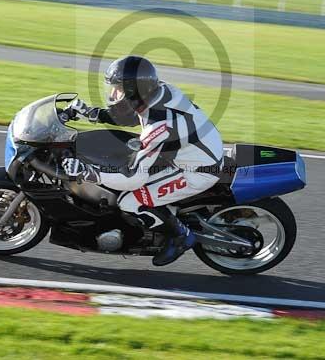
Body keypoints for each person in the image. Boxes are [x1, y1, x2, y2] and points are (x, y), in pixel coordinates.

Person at [61, 55, 224, 266]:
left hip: (196, 170)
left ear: (134, 92)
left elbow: (132, 178)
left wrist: (88, 173)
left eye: (118, 89)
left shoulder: (159, 128)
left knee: (130, 201)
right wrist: (93, 114)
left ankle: (180, 236)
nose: (113, 94)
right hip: (192, 151)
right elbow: (132, 115)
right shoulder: (160, 92)